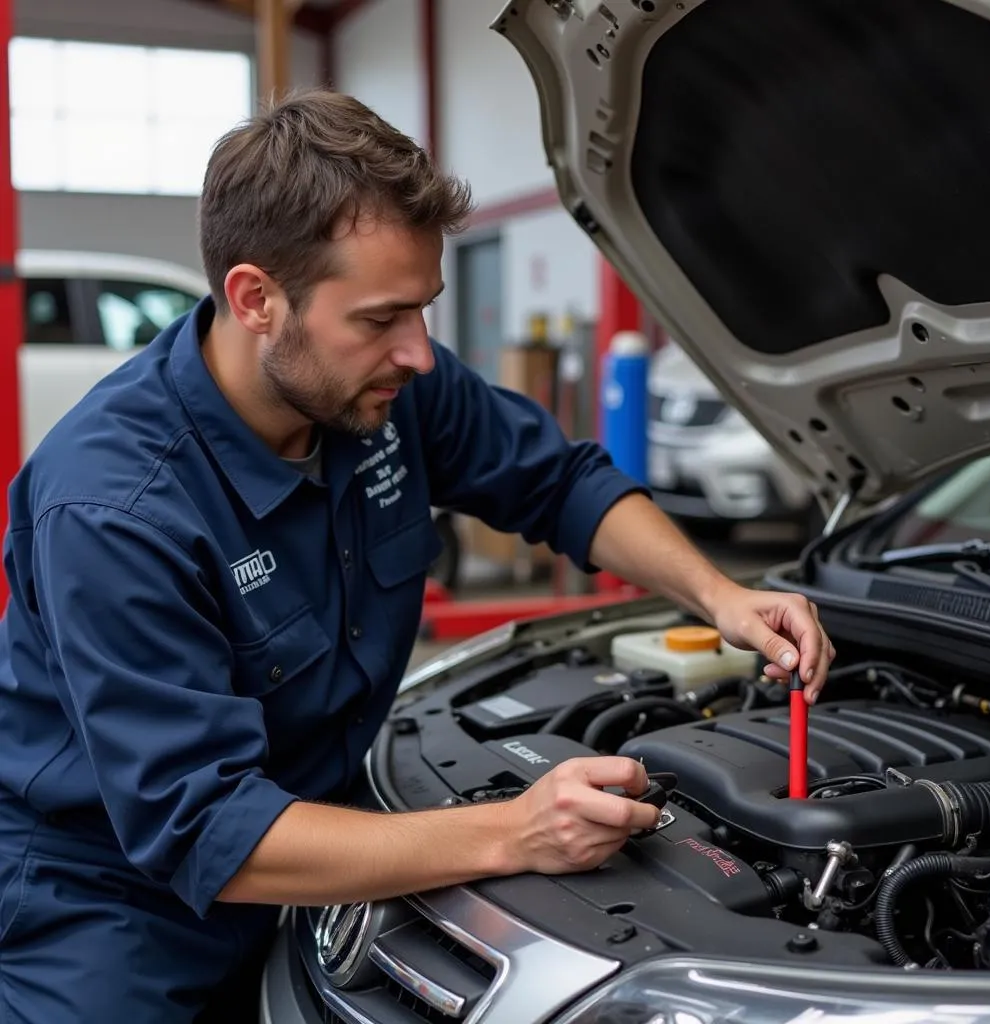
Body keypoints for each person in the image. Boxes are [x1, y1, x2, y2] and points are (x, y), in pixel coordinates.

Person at [0, 89, 835, 1022]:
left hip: (323, 846)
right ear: (255, 298)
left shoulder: (376, 391)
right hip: (107, 916)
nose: (421, 354)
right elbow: (208, 831)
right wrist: (516, 832)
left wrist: (718, 595)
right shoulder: (115, 507)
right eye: (380, 318)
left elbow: (560, 484)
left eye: (425, 309)